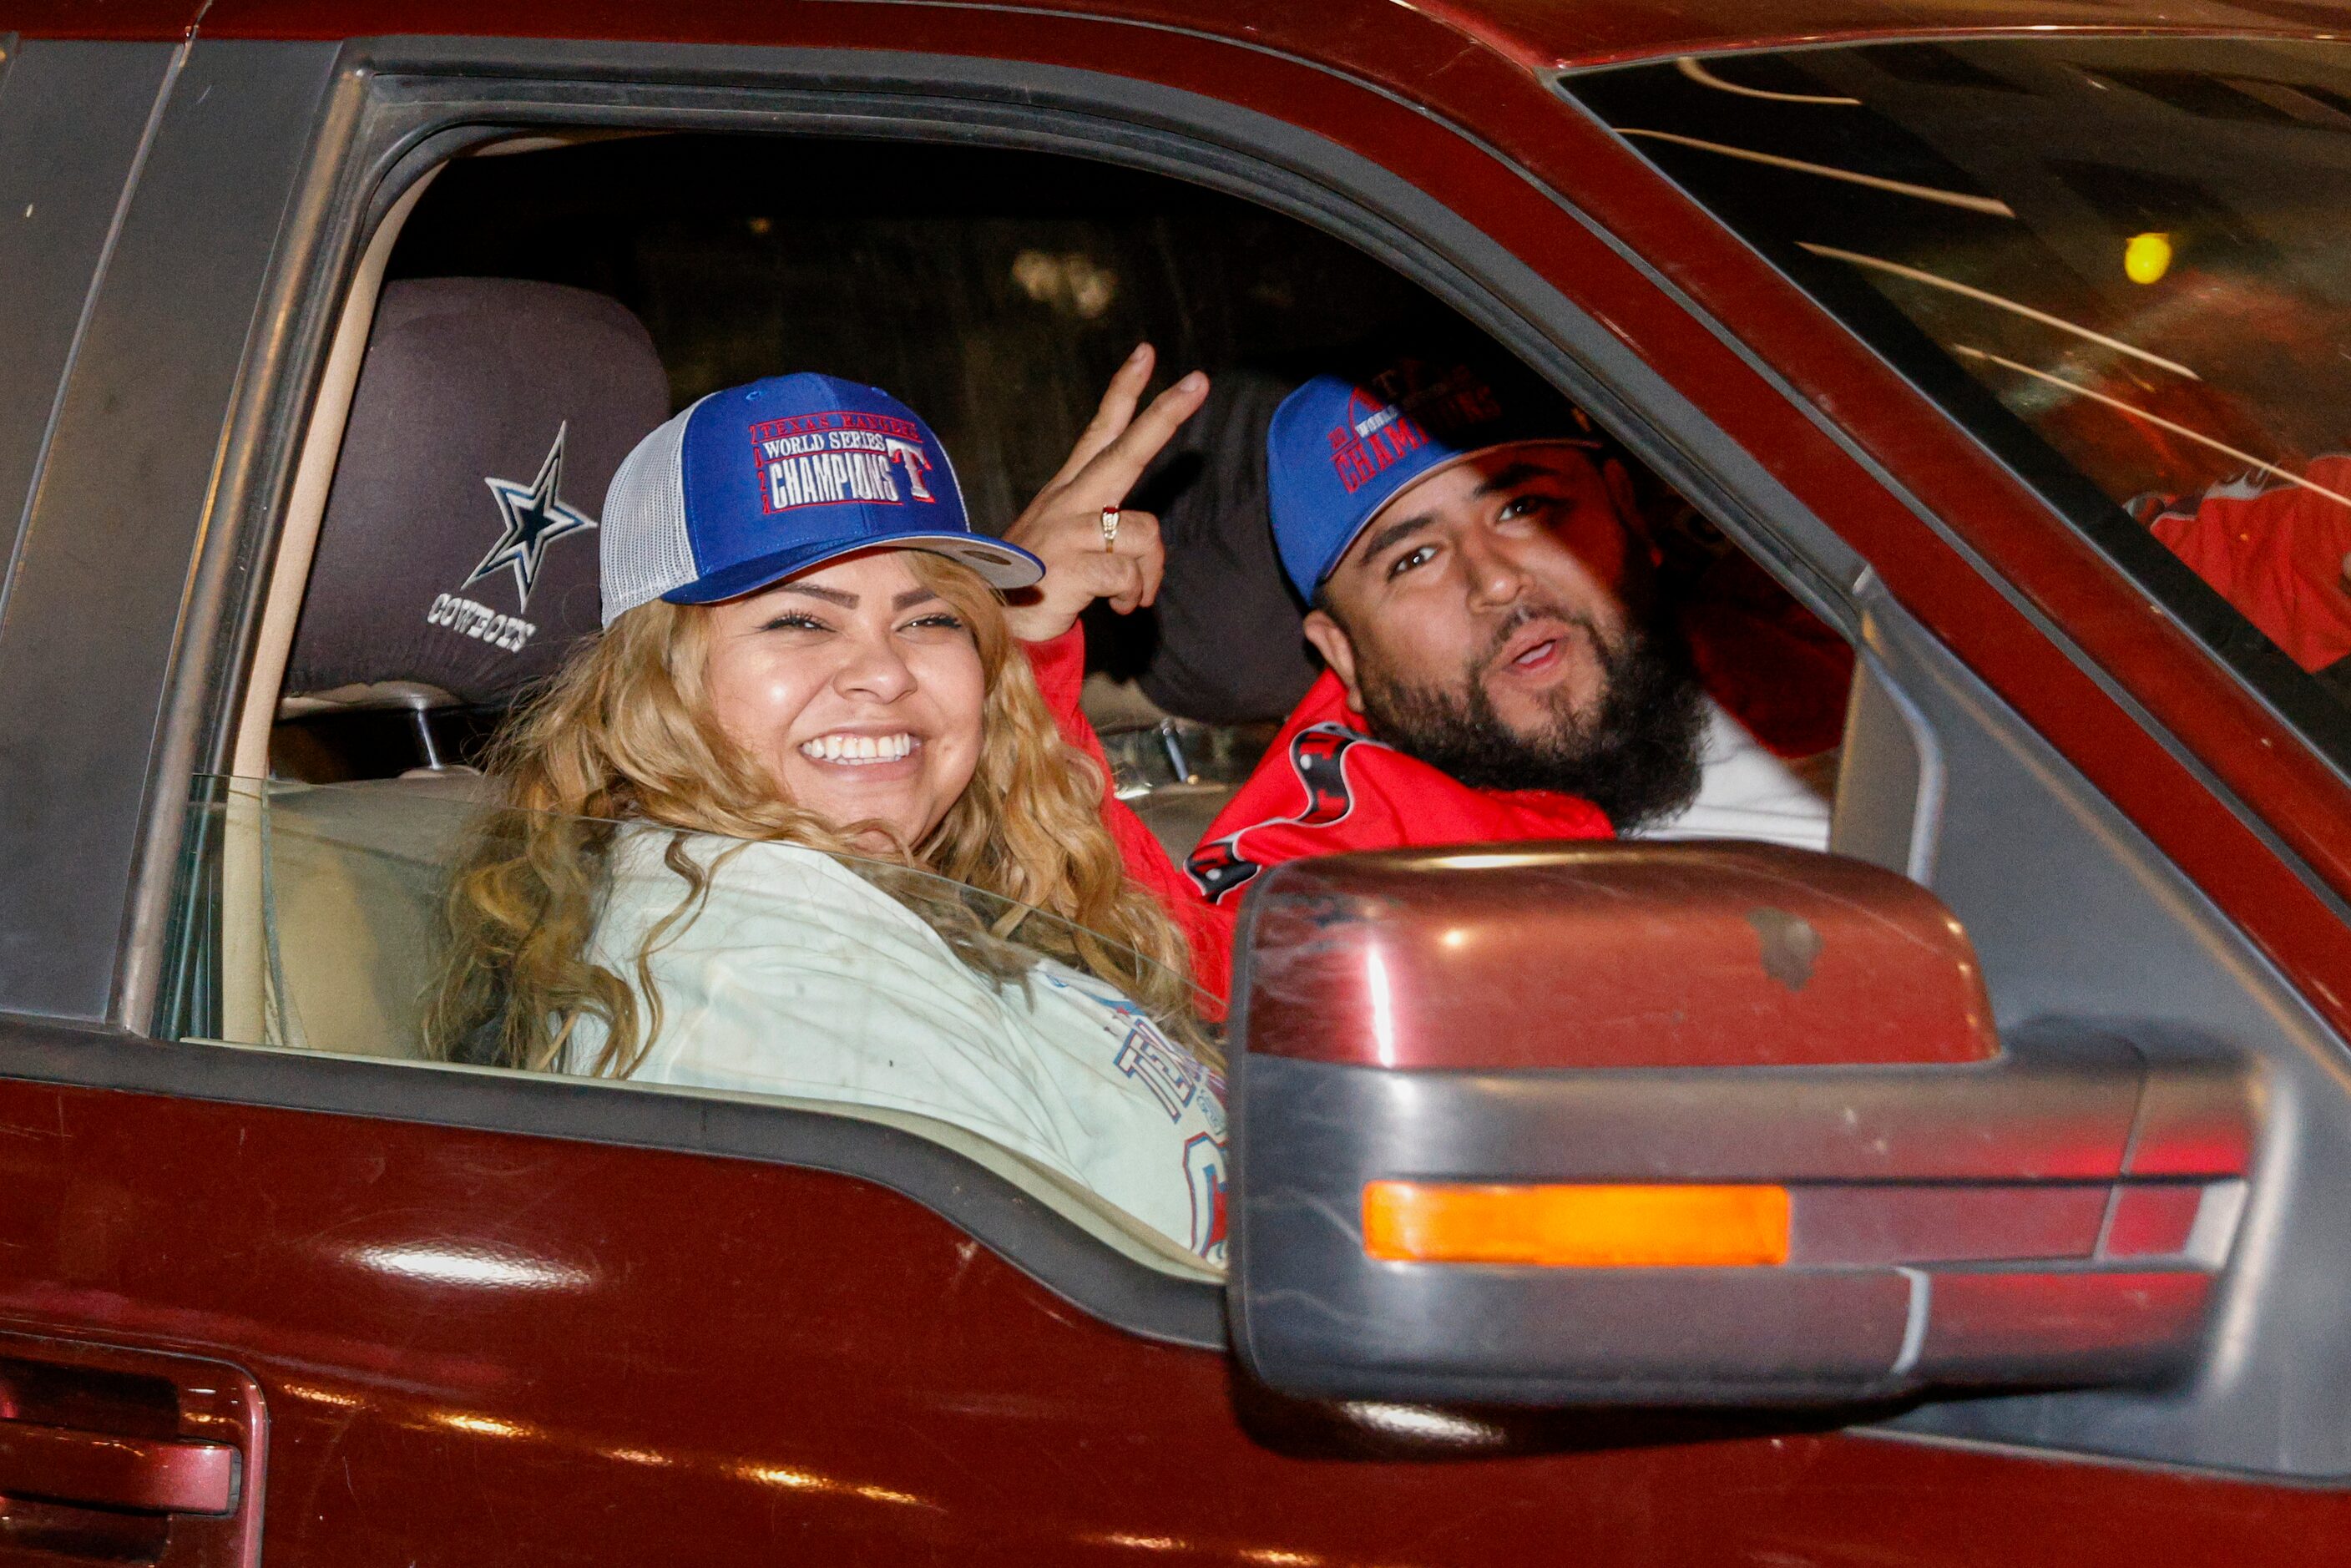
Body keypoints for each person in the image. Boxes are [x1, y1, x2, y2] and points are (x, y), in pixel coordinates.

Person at [428, 365, 1234, 1264]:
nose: (885, 673)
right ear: (655, 685)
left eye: (930, 620)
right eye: (802, 623)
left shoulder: (882, 896)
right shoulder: (765, 984)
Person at [1185, 351, 1848, 911]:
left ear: (1625, 508)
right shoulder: (1351, 864)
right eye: (1414, 559)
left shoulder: (1848, 654)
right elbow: (1194, 960)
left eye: (1523, 507)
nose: (1496, 581)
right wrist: (1093, 549)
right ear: (1343, 656)